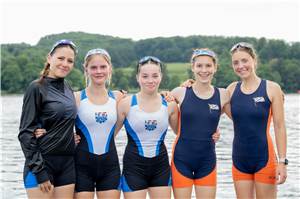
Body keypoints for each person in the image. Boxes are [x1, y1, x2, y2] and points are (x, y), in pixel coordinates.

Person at [223, 42, 287, 199]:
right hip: (239, 159)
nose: (241, 66)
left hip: (264, 158)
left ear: (254, 61)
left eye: (245, 60)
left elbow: (279, 127)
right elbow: (207, 101)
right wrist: (189, 86)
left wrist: (282, 162)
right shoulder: (231, 90)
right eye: (236, 62)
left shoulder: (272, 88)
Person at [18, 39, 78, 199]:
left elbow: (64, 120)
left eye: (70, 61)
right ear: (49, 58)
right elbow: (25, 134)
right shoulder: (36, 88)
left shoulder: (68, 88)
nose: (65, 64)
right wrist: (39, 170)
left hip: (67, 165)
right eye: (60, 58)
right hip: (43, 163)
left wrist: (71, 137)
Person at [115, 56, 179, 199]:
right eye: (145, 76)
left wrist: (212, 131)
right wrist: (75, 137)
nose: (150, 80)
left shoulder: (170, 105)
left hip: (160, 169)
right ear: (138, 77)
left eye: (155, 76)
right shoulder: (126, 104)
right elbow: (109, 134)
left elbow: (181, 133)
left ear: (161, 77)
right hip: (134, 168)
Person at [170, 48, 230, 199]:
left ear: (215, 68)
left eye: (208, 66)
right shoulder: (180, 92)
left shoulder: (223, 94)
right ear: (193, 67)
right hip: (181, 159)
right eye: (199, 66)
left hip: (207, 161)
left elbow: (243, 107)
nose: (204, 70)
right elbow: (157, 104)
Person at [73, 48, 123, 199]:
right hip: (81, 167)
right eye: (93, 67)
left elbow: (145, 101)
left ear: (109, 68)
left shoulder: (119, 97)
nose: (98, 71)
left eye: (103, 67)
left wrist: (167, 96)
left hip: (110, 167)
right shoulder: (76, 98)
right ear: (86, 69)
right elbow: (56, 122)